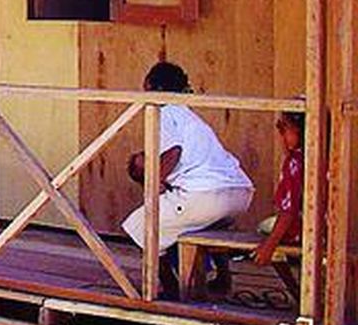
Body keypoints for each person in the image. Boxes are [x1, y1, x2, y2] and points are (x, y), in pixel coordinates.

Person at [121, 61, 254, 299]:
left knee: (140, 226)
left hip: (206, 195)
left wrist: (154, 185)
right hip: (239, 192)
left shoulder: (163, 111)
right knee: (205, 227)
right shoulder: (189, 115)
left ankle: (172, 289)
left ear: (150, 87)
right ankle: (222, 280)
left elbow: (173, 152)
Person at [254, 111, 304, 267]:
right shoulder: (324, 155)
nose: (281, 135)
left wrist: (269, 246)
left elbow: (288, 212)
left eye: (284, 129)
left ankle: (293, 285)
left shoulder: (295, 162)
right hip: (322, 229)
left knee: (265, 230)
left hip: (301, 230)